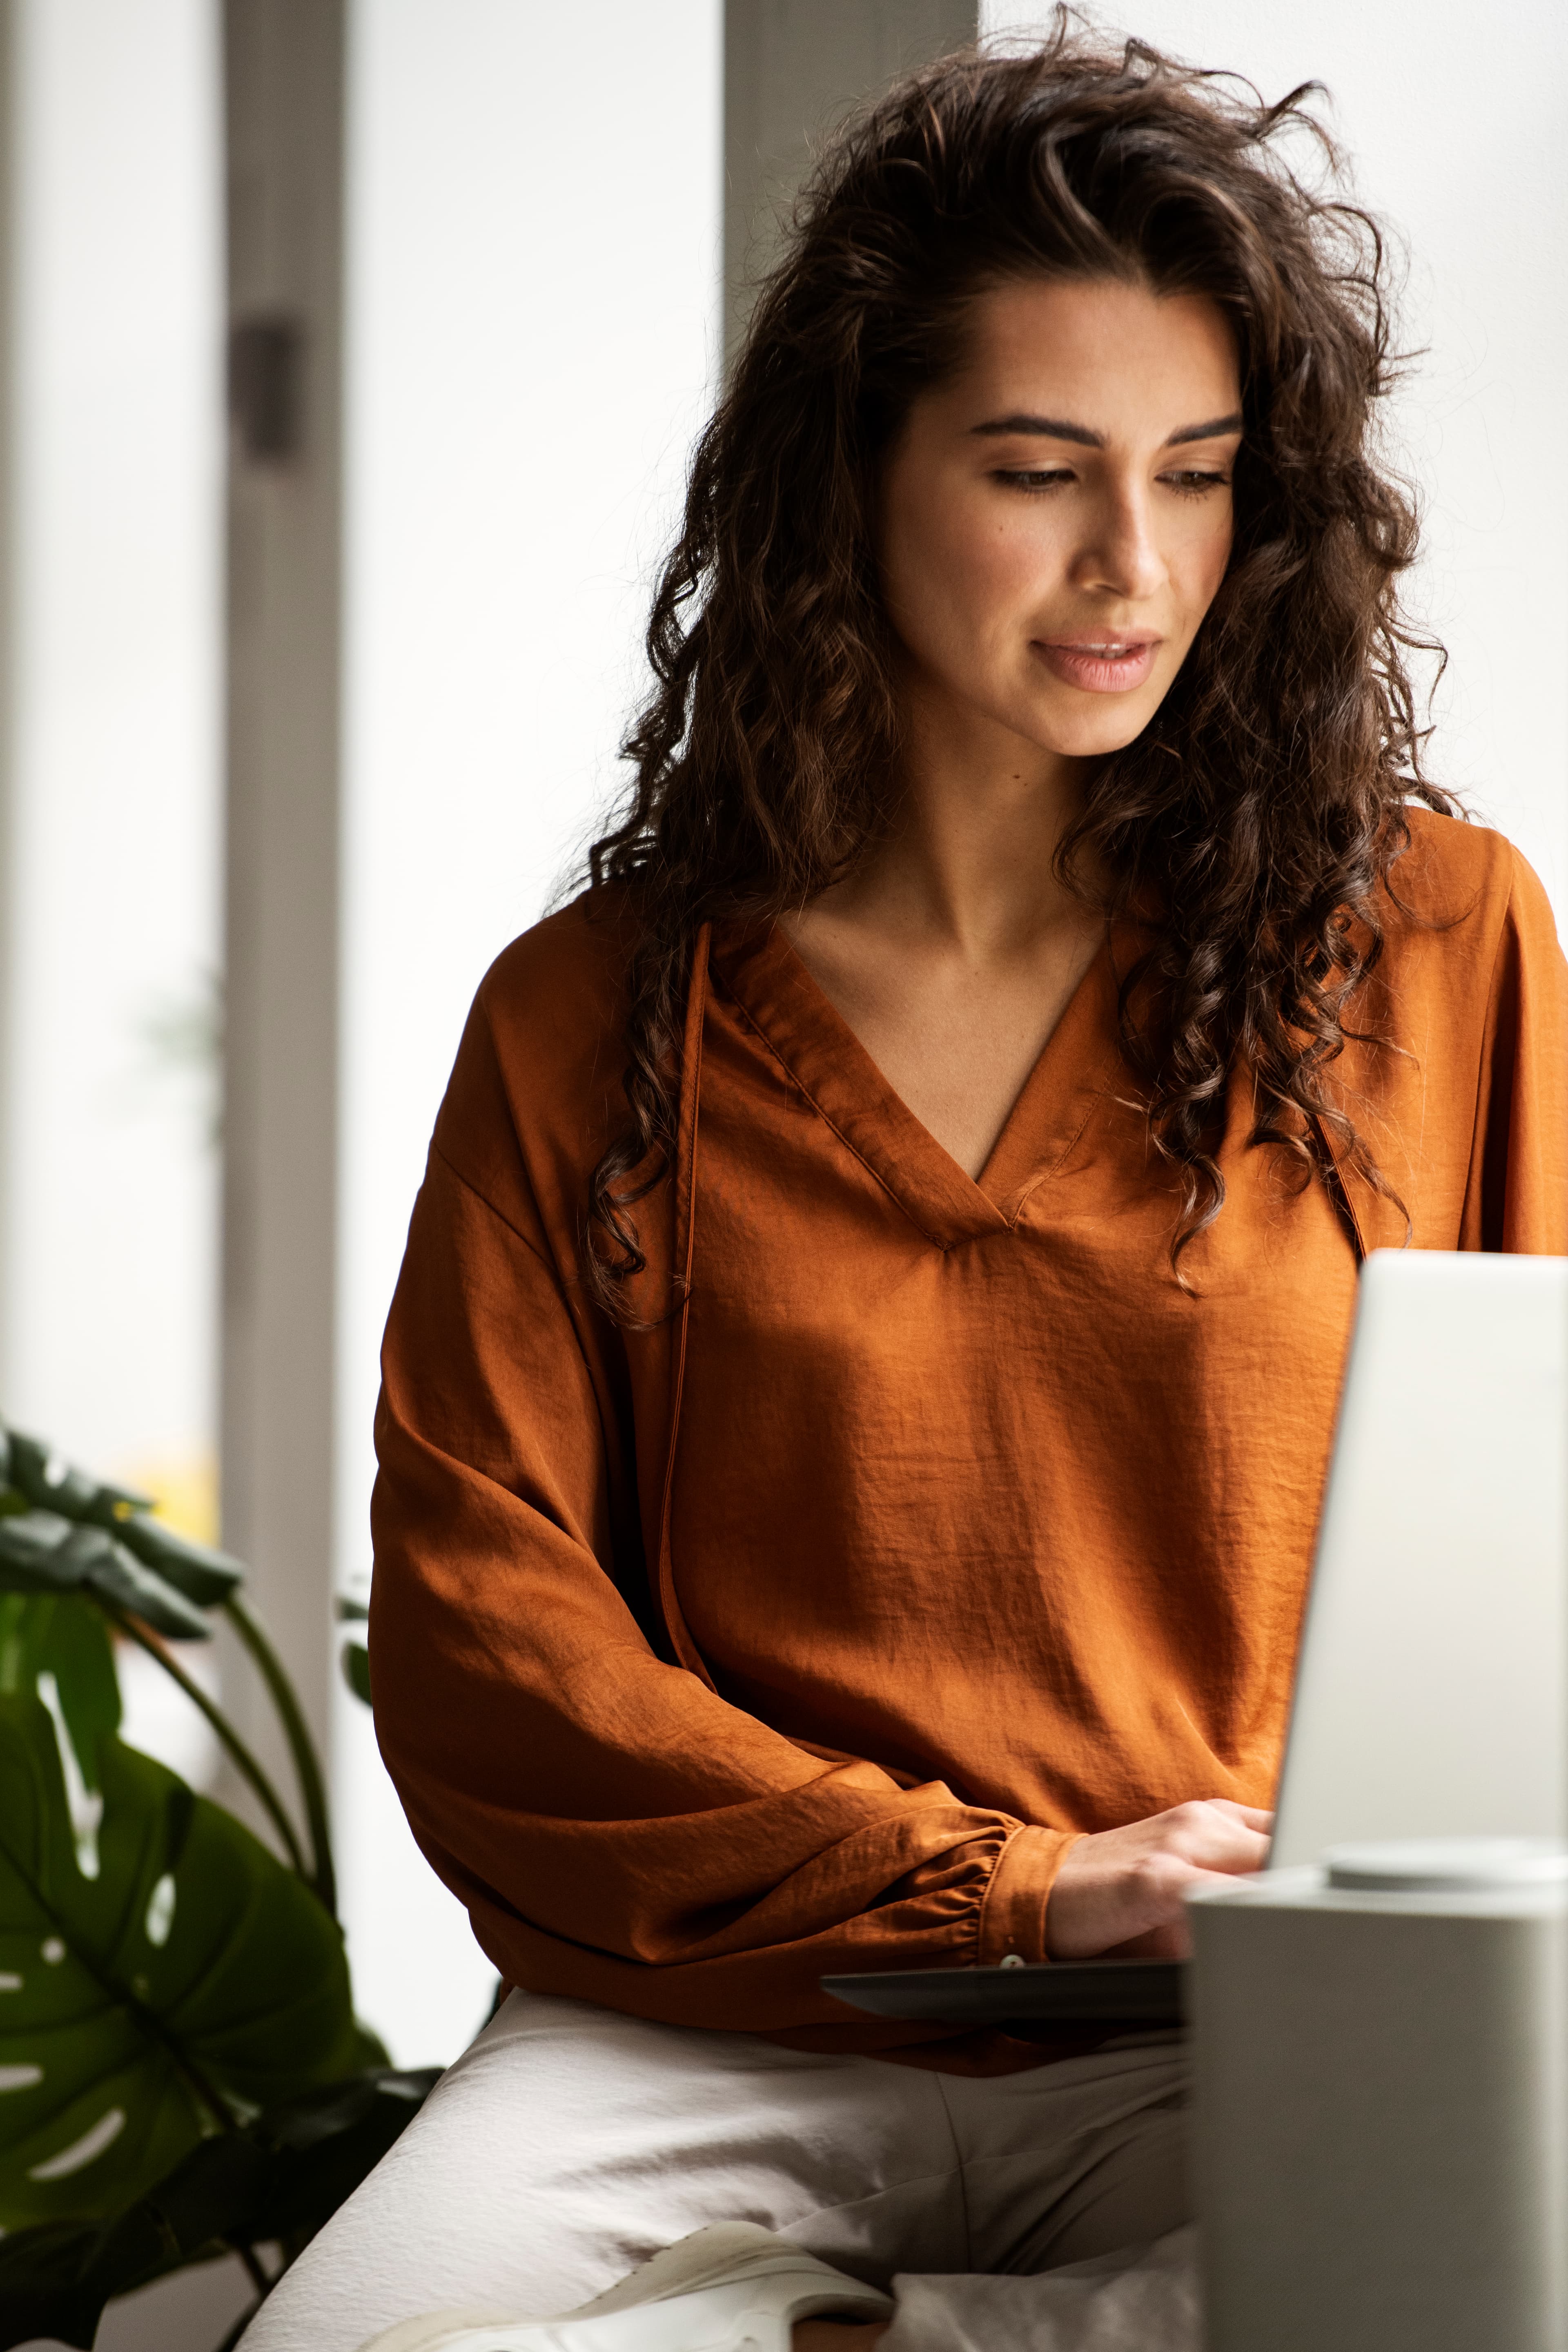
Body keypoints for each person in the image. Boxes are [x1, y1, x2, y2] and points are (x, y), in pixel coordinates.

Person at [244, 23, 1568, 2352]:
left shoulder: (1441, 945)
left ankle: (832, 2339)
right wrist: (1014, 1887)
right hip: (714, 2031)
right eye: (1039, 470)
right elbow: (487, 1644)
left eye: (1199, 471)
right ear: (850, 475)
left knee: (1466, 2291)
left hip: (1227, 2028)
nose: (1130, 566)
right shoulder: (590, 1019)